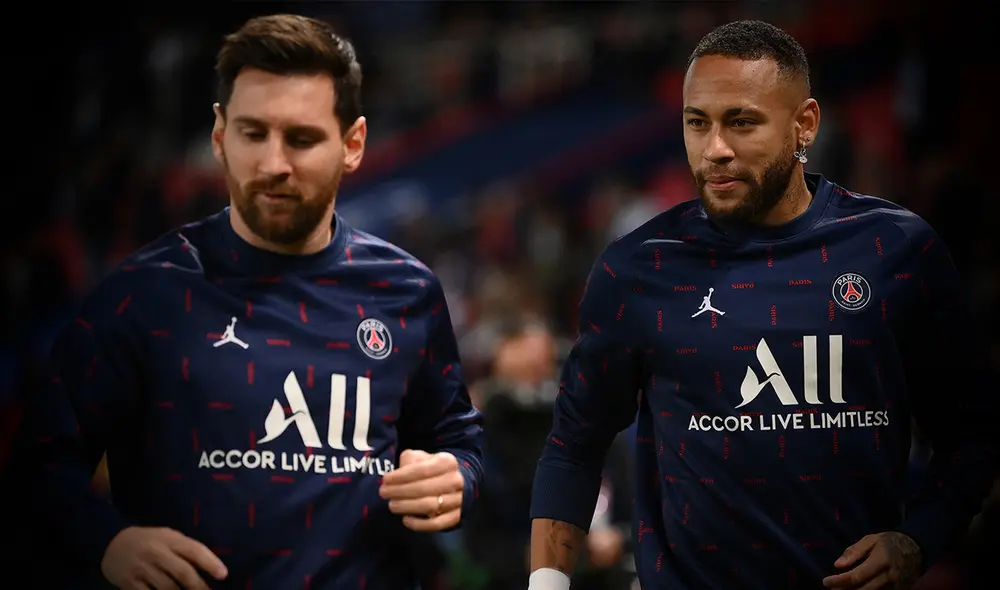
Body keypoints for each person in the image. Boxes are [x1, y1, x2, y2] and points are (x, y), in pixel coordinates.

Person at [14, 13, 483, 590]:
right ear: (219, 135)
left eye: (302, 138)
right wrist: (106, 540)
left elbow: (459, 441)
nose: (273, 165)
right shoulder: (142, 293)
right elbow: (38, 463)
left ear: (353, 144)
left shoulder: (407, 293)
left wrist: (456, 475)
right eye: (252, 133)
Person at [527, 19, 996, 590]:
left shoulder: (897, 250)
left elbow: (972, 437)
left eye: (741, 122)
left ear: (805, 125)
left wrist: (917, 539)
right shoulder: (636, 269)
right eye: (696, 123)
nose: (715, 149)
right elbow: (574, 445)